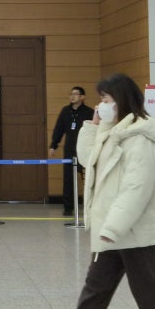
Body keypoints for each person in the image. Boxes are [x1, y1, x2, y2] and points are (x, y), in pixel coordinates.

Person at [75, 73, 155, 309]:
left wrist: (113, 228)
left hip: (134, 232)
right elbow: (88, 160)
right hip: (110, 230)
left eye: (106, 100)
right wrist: (93, 127)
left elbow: (136, 189)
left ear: (122, 100)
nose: (101, 105)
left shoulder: (141, 139)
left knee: (148, 293)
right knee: (95, 291)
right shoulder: (111, 132)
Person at [49, 86, 93, 216]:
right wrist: (53, 145)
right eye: (71, 94)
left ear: (82, 97)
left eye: (76, 94)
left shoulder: (89, 112)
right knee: (68, 180)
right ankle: (68, 208)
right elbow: (59, 129)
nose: (72, 96)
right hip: (69, 150)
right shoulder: (65, 111)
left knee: (88, 179)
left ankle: (90, 207)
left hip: (85, 149)